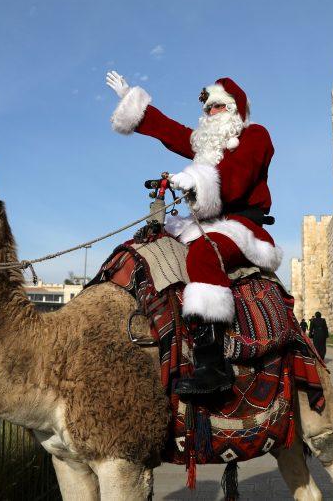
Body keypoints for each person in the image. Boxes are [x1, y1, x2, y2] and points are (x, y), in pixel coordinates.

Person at [105, 71, 282, 396]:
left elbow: (237, 179)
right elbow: (171, 131)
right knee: (147, 243)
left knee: (204, 254)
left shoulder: (256, 136)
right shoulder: (208, 146)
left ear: (234, 109)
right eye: (207, 108)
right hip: (205, 222)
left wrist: (196, 180)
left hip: (242, 227)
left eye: (217, 107)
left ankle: (212, 365)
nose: (209, 113)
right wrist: (133, 102)